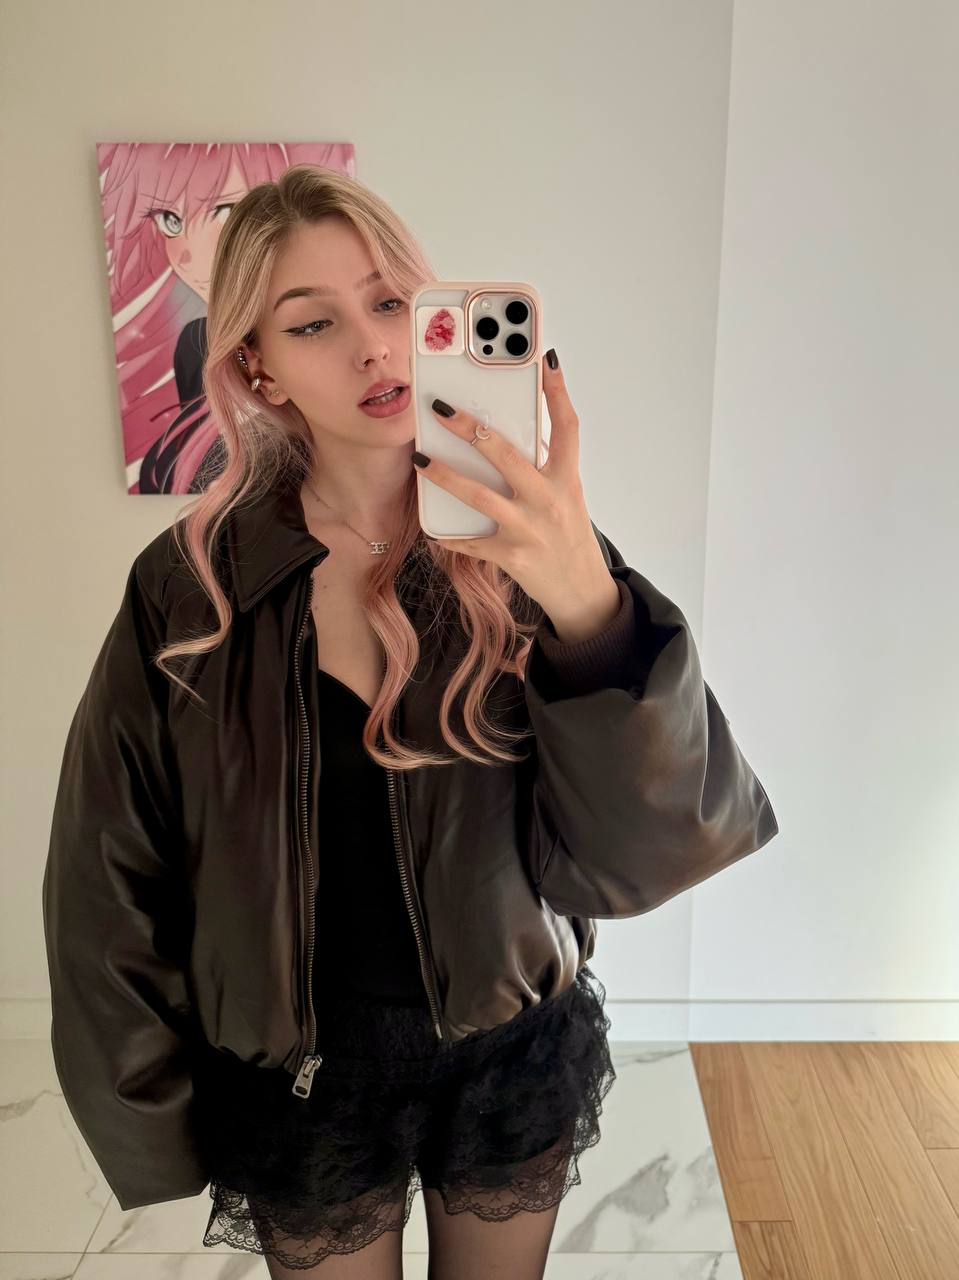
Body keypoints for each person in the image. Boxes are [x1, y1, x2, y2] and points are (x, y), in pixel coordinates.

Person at [42, 164, 780, 1278]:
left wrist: (588, 602)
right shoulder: (189, 588)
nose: (374, 348)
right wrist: (144, 1107)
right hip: (301, 1082)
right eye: (313, 323)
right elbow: (107, 865)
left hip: (508, 1052)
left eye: (390, 302)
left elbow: (647, 851)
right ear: (257, 364)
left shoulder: (526, 547)